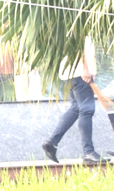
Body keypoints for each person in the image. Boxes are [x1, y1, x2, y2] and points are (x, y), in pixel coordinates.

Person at [42, 36, 104, 164]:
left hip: (71, 73)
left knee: (76, 109)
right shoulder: (78, 21)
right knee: (86, 111)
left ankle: (52, 142)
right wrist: (86, 69)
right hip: (80, 73)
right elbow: (79, 47)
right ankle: (88, 151)